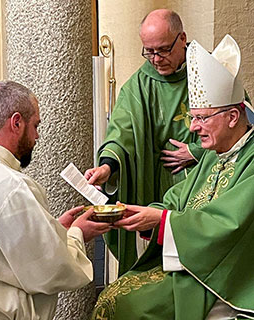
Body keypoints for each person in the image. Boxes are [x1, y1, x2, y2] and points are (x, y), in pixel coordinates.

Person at [91, 34, 254, 320]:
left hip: (224, 278)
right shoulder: (217, 152)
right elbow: (177, 199)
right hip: (191, 262)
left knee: (123, 306)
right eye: (193, 117)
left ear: (231, 117)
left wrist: (163, 222)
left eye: (202, 118)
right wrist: (146, 215)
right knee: (112, 297)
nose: (193, 127)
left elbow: (228, 223)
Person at [0, 81, 111, 320]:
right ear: (16, 122)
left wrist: (54, 230)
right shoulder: (10, 186)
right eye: (36, 125)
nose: (37, 135)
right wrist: (77, 233)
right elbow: (50, 270)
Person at [85, 9, 205, 275]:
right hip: (149, 185)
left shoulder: (209, 73)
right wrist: (107, 168)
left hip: (198, 184)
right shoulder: (138, 86)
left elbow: (240, 129)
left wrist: (196, 151)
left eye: (162, 50)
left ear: (182, 38)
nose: (156, 59)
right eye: (148, 51)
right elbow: (120, 135)